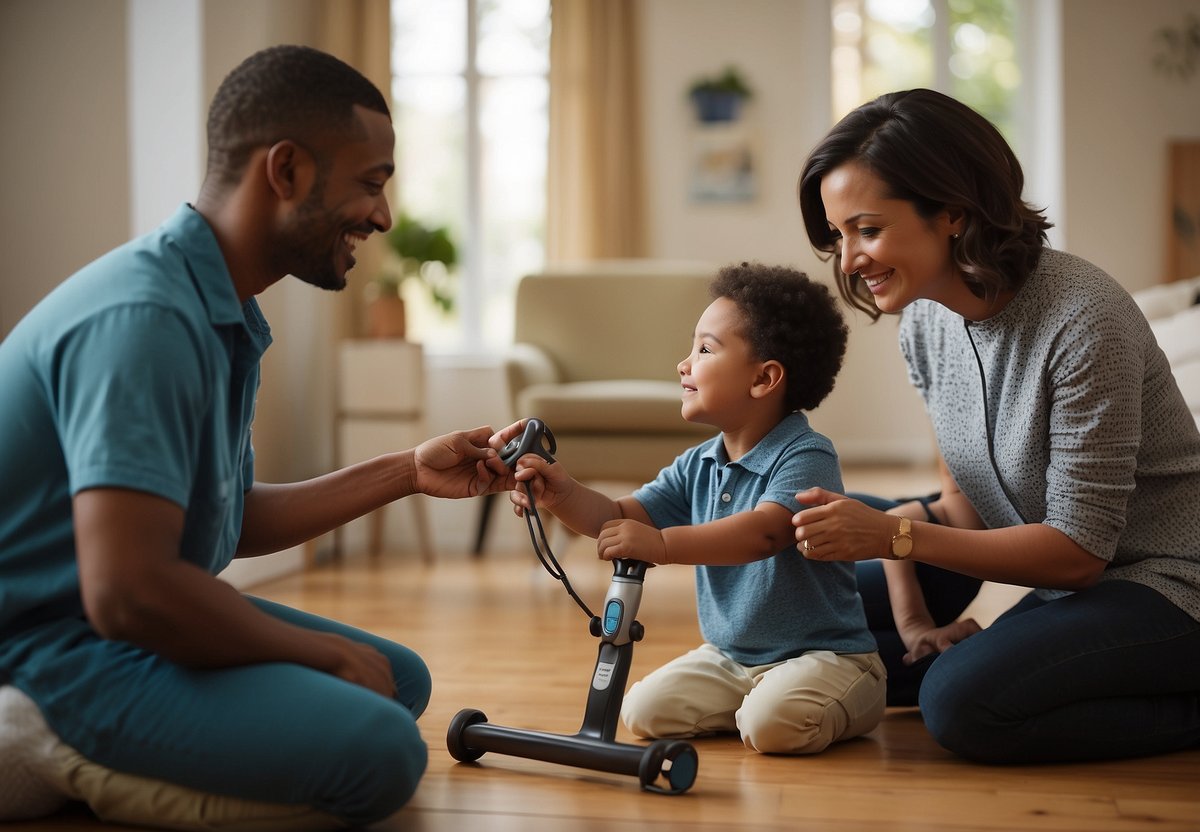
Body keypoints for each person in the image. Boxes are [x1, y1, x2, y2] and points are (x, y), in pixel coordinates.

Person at [0, 46, 515, 829]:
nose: (382, 216)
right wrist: (322, 655)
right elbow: (128, 590)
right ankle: (42, 745)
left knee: (398, 679)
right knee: (380, 752)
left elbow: (230, 518)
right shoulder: (146, 320)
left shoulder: (219, 310)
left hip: (106, 622)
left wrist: (408, 470)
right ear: (286, 172)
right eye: (370, 183)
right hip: (48, 643)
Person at [793, 87, 1200, 764]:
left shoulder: (1084, 320)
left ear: (953, 212)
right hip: (1076, 584)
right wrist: (890, 569)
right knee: (818, 626)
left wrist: (892, 535)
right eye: (838, 235)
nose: (848, 261)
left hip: (1178, 582)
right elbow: (965, 506)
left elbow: (1076, 554)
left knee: (961, 704)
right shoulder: (926, 319)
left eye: (866, 230)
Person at [499, 262, 887, 755]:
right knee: (644, 712)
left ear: (764, 378)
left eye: (704, 350)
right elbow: (619, 515)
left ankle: (847, 696)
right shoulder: (698, 463)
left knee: (775, 726)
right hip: (730, 658)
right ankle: (756, 701)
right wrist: (561, 494)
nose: (684, 364)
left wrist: (662, 545)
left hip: (827, 656)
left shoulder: (806, 454)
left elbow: (766, 532)